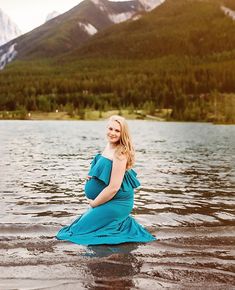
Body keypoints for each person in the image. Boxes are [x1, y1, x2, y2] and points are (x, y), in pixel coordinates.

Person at [56, 115, 156, 245]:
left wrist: (94, 204)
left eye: (117, 131)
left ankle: (121, 223)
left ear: (122, 133)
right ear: (106, 128)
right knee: (75, 227)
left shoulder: (120, 153)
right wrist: (93, 175)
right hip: (107, 201)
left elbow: (114, 187)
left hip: (118, 202)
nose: (112, 133)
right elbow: (106, 169)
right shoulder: (109, 146)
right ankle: (119, 222)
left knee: (77, 232)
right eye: (111, 128)